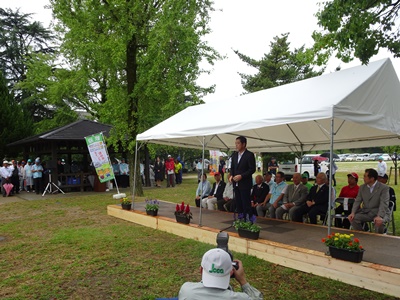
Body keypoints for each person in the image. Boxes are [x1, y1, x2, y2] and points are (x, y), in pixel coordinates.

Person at [178, 248, 263, 300]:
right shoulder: (240, 298)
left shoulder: (186, 290)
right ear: (231, 272)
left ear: (201, 270)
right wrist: (242, 280)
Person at [348, 168, 390, 234]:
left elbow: (384, 203)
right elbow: (357, 201)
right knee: (353, 218)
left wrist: (380, 216)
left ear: (372, 178)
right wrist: (353, 212)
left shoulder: (384, 188)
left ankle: (379, 238)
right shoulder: (362, 187)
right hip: (367, 212)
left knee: (379, 223)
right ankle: (362, 234)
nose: (363, 178)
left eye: (365, 176)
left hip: (379, 212)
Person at [229, 136, 256, 221]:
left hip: (245, 183)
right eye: (235, 143)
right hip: (236, 183)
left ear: (244, 144)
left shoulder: (249, 155)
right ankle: (241, 219)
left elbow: (252, 169)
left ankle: (249, 220)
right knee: (238, 203)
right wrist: (231, 175)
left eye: (238, 143)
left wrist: (242, 176)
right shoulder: (234, 155)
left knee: (246, 204)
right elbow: (232, 168)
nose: (236, 145)